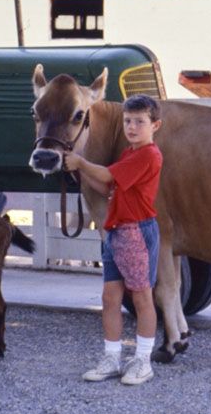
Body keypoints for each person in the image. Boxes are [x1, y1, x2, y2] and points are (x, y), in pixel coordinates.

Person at [65, 94, 164, 386]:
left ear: (155, 125)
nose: (132, 127)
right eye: (128, 121)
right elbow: (108, 185)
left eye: (139, 122)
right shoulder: (130, 154)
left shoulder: (148, 155)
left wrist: (81, 162)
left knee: (142, 297)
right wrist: (81, 173)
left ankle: (143, 360)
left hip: (135, 231)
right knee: (110, 298)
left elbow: (107, 176)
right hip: (116, 231)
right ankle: (112, 357)